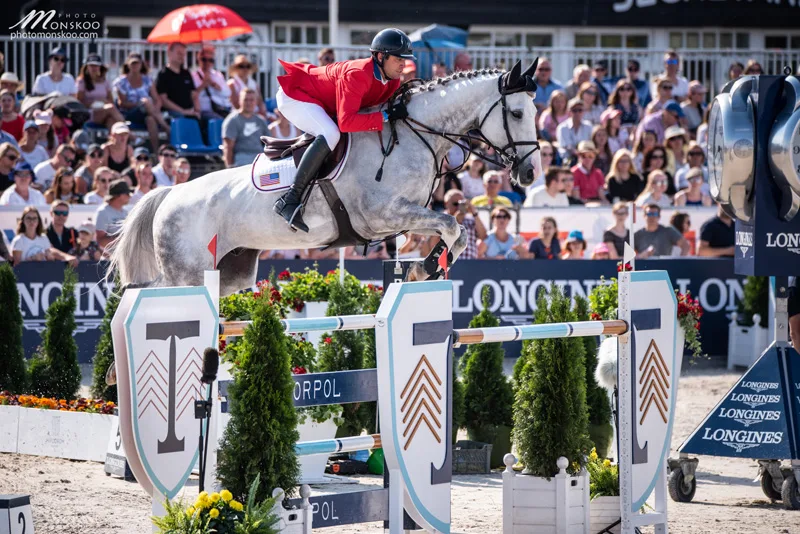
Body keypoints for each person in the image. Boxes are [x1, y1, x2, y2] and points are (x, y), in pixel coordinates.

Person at [272, 28, 412, 232]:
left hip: (321, 102)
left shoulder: (392, 80)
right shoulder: (357, 75)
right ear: (381, 56)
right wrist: (385, 116)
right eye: (398, 59)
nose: (403, 64)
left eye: (405, 59)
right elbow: (347, 122)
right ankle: (290, 199)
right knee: (331, 133)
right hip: (295, 97)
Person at [114, 53, 171, 151]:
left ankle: (156, 152)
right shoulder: (121, 82)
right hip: (130, 112)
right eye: (132, 63)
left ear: (141, 65)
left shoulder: (147, 80)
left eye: (137, 63)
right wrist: (139, 104)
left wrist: (154, 110)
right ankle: (165, 126)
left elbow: (157, 100)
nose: (135, 66)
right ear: (128, 65)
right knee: (146, 101)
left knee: (151, 120)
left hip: (147, 112)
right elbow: (122, 103)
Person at [430, 189, 487, 260]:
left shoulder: (470, 219)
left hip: (470, 263)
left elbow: (483, 236)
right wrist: (455, 221)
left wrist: (474, 213)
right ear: (446, 204)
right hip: (448, 264)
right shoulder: (441, 219)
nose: (458, 207)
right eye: (455, 204)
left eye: (461, 204)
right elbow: (433, 243)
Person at [11, 206, 77, 265]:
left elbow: (50, 256)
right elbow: (16, 266)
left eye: (34, 218)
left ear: (38, 221)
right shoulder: (19, 240)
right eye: (28, 218)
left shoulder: (43, 238)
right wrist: (32, 259)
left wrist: (50, 257)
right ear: (23, 221)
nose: (32, 221)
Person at [222, 88, 270, 167]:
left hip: (259, 157)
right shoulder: (232, 120)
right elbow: (228, 147)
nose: (248, 103)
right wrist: (229, 167)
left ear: (256, 102)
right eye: (245, 100)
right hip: (241, 159)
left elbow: (268, 143)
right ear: (240, 101)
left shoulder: (261, 120)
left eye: (251, 100)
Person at [76, 54, 124, 129]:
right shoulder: (81, 81)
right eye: (91, 65)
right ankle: (131, 135)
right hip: (88, 114)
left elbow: (110, 101)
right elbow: (79, 102)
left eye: (96, 65)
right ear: (86, 67)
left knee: (110, 121)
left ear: (100, 67)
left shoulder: (105, 82)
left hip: (104, 112)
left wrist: (104, 102)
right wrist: (95, 102)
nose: (94, 68)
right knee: (111, 108)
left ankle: (117, 139)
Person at [157, 42, 200, 120]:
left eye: (184, 54)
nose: (182, 56)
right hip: (172, 114)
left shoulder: (186, 73)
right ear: (169, 53)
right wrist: (183, 111)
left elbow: (194, 95)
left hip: (189, 112)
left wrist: (197, 111)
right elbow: (163, 100)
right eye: (179, 53)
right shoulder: (163, 74)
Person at [192, 45, 232, 120]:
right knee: (219, 121)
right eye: (204, 59)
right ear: (199, 59)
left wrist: (214, 85)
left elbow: (227, 93)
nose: (207, 63)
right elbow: (192, 96)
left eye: (210, 60)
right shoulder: (193, 76)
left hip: (221, 108)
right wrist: (203, 85)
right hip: (205, 110)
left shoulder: (218, 75)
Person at [95, 179, 131, 248]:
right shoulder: (103, 212)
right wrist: (123, 240)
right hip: (109, 257)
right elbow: (100, 240)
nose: (129, 196)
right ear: (119, 195)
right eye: (127, 194)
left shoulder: (126, 213)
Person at [556, 98, 593, 162]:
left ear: (584, 111)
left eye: (580, 110)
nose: (577, 113)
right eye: (574, 110)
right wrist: (579, 154)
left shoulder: (588, 126)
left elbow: (590, 144)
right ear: (569, 112)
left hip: (585, 158)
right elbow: (567, 147)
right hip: (567, 159)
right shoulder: (562, 127)